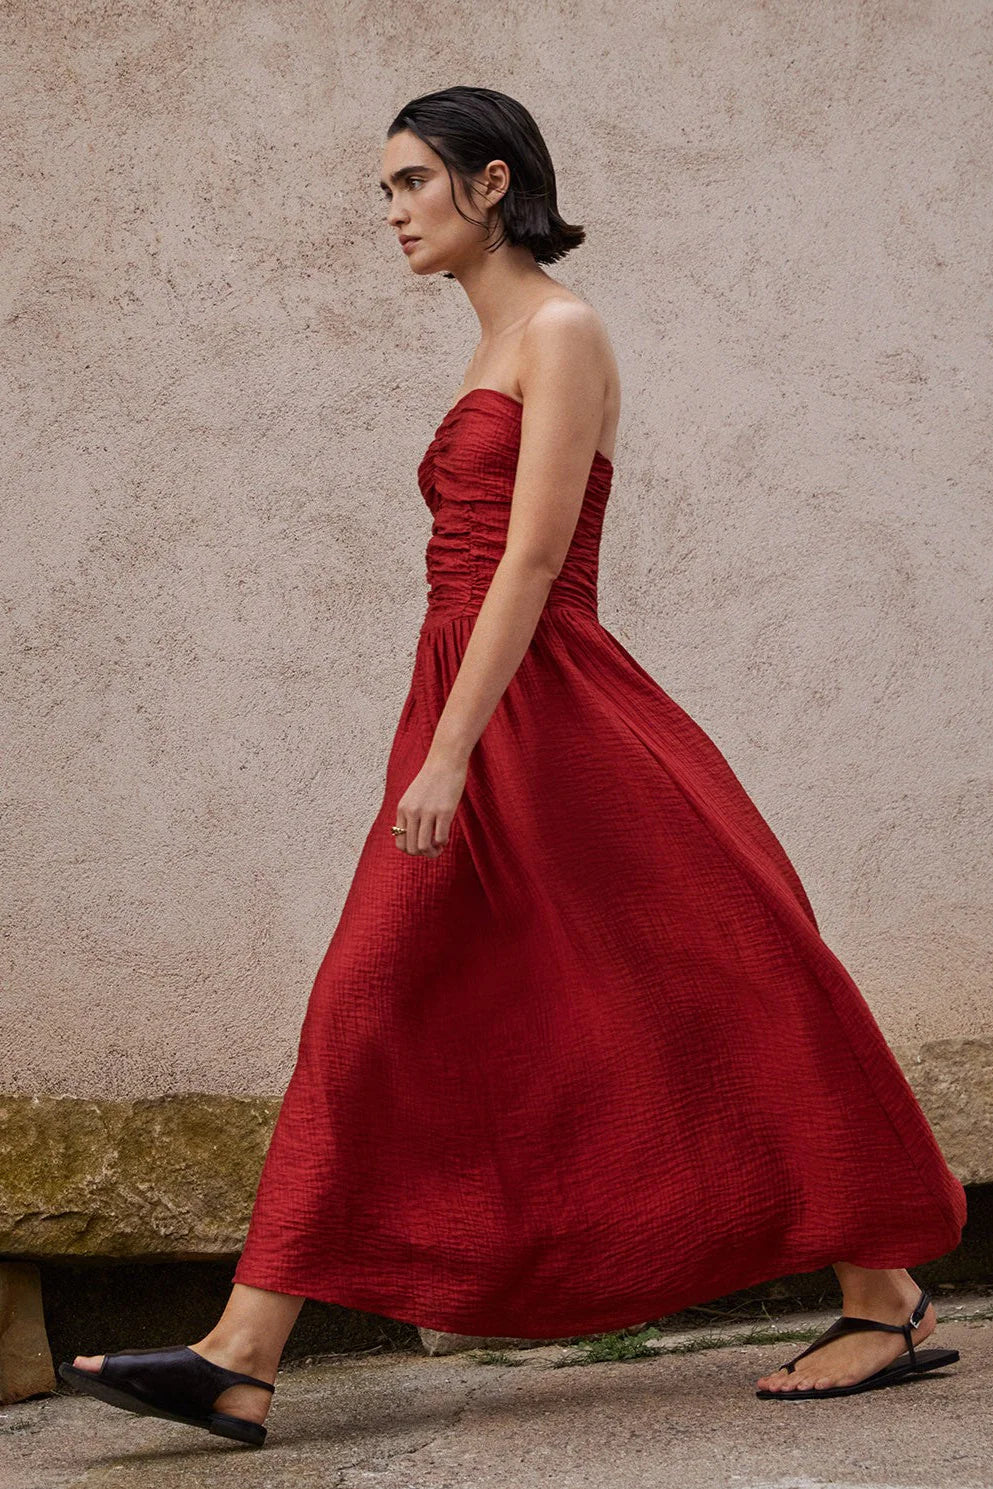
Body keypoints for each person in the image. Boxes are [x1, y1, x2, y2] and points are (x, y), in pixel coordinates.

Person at [59, 85, 966, 1448]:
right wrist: (442, 733)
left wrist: (447, 751)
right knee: (378, 1000)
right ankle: (240, 1353)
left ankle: (882, 1290)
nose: (392, 213)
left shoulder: (561, 329)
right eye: (383, 189)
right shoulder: (497, 342)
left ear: (493, 184)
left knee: (725, 972)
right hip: (475, 704)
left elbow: (534, 563)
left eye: (412, 182)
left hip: (544, 711)